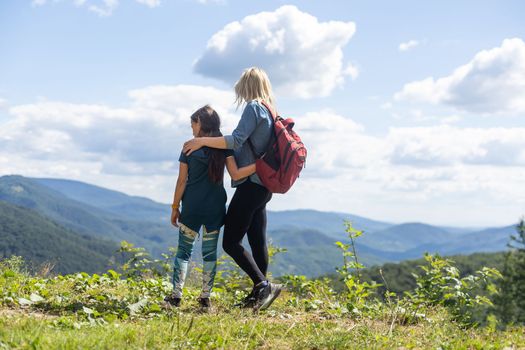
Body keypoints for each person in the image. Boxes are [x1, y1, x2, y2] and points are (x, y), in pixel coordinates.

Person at [183, 67, 282, 311]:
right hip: (263, 185)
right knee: (257, 239)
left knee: (230, 242)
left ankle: (262, 285)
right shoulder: (271, 111)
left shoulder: (254, 107)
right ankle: (261, 292)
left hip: (250, 185)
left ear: (247, 86)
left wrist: (202, 141)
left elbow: (236, 139)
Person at [164, 105, 256, 312]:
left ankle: (175, 297)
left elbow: (181, 181)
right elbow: (236, 174)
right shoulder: (224, 147)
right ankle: (205, 300)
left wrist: (174, 206)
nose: (192, 130)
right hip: (215, 208)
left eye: (192, 125)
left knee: (183, 252)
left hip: (193, 208)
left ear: (200, 123)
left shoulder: (189, 147)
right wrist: (260, 165)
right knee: (209, 254)